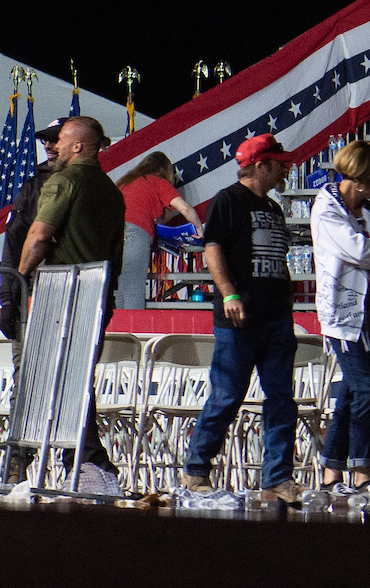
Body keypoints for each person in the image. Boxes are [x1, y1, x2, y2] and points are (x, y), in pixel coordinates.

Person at [182, 134, 304, 502]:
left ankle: (277, 479)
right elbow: (213, 248)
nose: (286, 169)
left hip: (276, 316)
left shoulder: (274, 207)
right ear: (260, 164)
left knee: (282, 397)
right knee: (227, 395)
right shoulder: (228, 200)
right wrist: (229, 293)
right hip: (240, 316)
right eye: (279, 164)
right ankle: (197, 469)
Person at [16, 114, 128, 491]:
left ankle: (79, 462)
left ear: (79, 145)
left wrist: (18, 279)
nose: (55, 147)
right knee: (75, 381)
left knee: (45, 380)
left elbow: (40, 235)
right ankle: (82, 464)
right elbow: (116, 252)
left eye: (62, 140)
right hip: (98, 296)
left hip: (61, 295)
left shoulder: (63, 181)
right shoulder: (113, 191)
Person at [310, 137, 370, 507]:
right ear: (362, 177)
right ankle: (362, 474)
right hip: (342, 315)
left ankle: (331, 473)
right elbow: (360, 249)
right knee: (366, 390)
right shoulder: (326, 208)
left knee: (352, 395)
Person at [0, 118, 64, 343]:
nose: (47, 145)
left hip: (70, 294)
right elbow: (13, 242)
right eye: (45, 140)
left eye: (55, 139)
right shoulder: (31, 187)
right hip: (29, 292)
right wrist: (7, 298)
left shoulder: (90, 187)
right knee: (24, 367)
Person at [114, 150, 202, 311]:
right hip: (135, 234)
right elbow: (184, 207)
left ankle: (118, 334)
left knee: (119, 291)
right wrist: (199, 228)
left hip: (113, 236)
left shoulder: (124, 182)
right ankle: (133, 334)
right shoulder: (157, 182)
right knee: (134, 291)